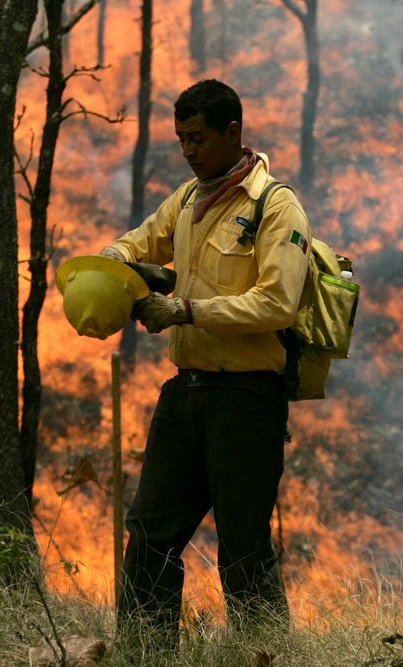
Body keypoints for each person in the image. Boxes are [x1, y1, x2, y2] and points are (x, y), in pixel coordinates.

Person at [98, 79, 312, 638]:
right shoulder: (189, 199)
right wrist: (112, 258)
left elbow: (277, 303)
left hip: (246, 402)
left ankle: (267, 654)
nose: (188, 150)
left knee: (243, 549)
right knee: (150, 533)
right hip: (184, 395)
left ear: (232, 132)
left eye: (198, 138)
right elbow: (143, 240)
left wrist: (185, 310)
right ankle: (144, 653)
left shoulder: (275, 206)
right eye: (181, 140)